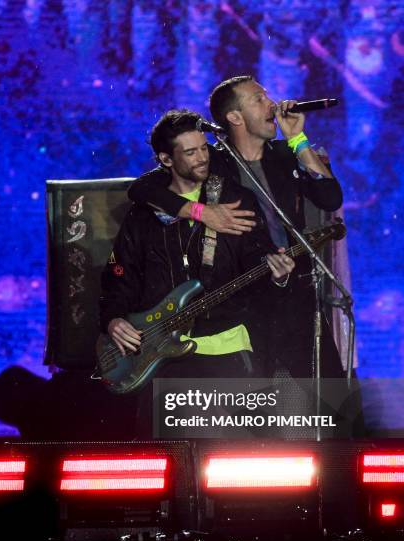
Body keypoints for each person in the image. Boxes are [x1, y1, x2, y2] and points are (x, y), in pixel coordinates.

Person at [127, 76, 344, 379]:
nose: (272, 104)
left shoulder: (285, 154)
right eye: (259, 98)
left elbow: (330, 197)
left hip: (295, 290)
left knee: (328, 399)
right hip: (243, 298)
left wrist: (298, 138)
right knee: (260, 404)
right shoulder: (211, 161)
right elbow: (142, 188)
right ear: (234, 117)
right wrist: (202, 212)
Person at [99, 110, 295, 435]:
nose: (202, 157)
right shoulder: (145, 214)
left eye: (203, 148)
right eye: (190, 152)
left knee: (233, 456)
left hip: (227, 347)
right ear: (166, 159)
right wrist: (114, 318)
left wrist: (278, 275)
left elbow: (256, 262)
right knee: (171, 454)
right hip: (162, 353)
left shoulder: (233, 200)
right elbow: (121, 277)